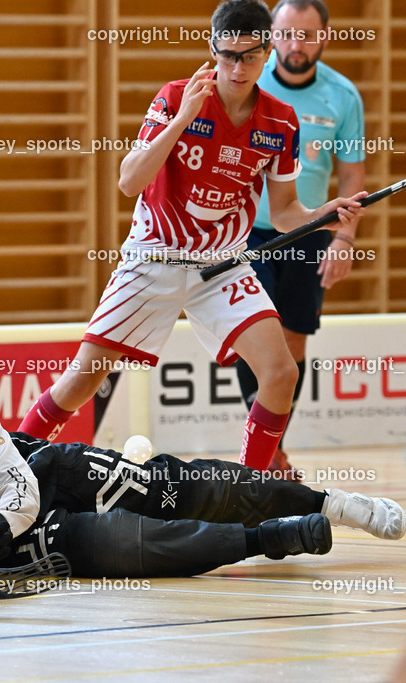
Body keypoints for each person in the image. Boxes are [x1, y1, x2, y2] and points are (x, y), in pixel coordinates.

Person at [18, 0, 365, 474]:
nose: (236, 68)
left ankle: (250, 489)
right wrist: (181, 119)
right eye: (227, 56)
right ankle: (8, 466)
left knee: (281, 372)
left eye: (248, 56)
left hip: (221, 265)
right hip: (153, 258)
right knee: (81, 380)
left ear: (267, 53)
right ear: (212, 48)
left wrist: (323, 216)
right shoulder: (175, 95)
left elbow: (285, 213)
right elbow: (129, 182)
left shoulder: (281, 121)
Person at [0, 348, 404, 585]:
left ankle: (335, 503)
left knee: (182, 485)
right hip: (15, 545)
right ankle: (271, 539)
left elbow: (14, 486)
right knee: (138, 547)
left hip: (41, 479)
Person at [234, 0, 366, 480]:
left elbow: (352, 173)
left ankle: (274, 448)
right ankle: (265, 453)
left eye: (306, 36)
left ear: (324, 37)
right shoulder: (248, 78)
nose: (294, 45)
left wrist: (344, 238)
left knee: (293, 343)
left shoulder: (342, 96)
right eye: (285, 34)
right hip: (246, 230)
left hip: (309, 230)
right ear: (272, 35)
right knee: (255, 339)